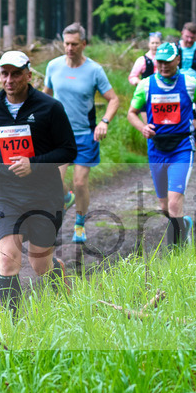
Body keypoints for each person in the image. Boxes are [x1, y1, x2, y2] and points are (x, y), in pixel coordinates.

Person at [0, 50, 76, 314]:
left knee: (40, 265)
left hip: (44, 195)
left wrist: (33, 163)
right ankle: (13, 328)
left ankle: (61, 284)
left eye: (16, 74)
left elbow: (69, 150)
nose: (9, 80)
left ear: (28, 75)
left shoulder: (50, 107)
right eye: (4, 73)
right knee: (8, 260)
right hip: (8, 195)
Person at [43, 22, 120, 244]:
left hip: (86, 135)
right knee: (53, 183)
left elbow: (113, 99)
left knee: (79, 182)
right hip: (58, 135)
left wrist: (104, 121)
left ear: (83, 44)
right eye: (66, 43)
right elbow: (45, 96)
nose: (69, 48)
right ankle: (66, 199)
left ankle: (79, 224)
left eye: (74, 44)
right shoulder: (53, 66)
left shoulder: (94, 70)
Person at [126, 42, 196, 247]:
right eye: (160, 61)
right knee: (165, 207)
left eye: (168, 61)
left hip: (182, 147)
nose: (163, 66)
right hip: (156, 149)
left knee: (173, 202)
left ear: (177, 59)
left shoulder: (190, 83)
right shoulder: (145, 85)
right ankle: (184, 224)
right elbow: (131, 113)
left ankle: (176, 252)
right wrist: (143, 128)